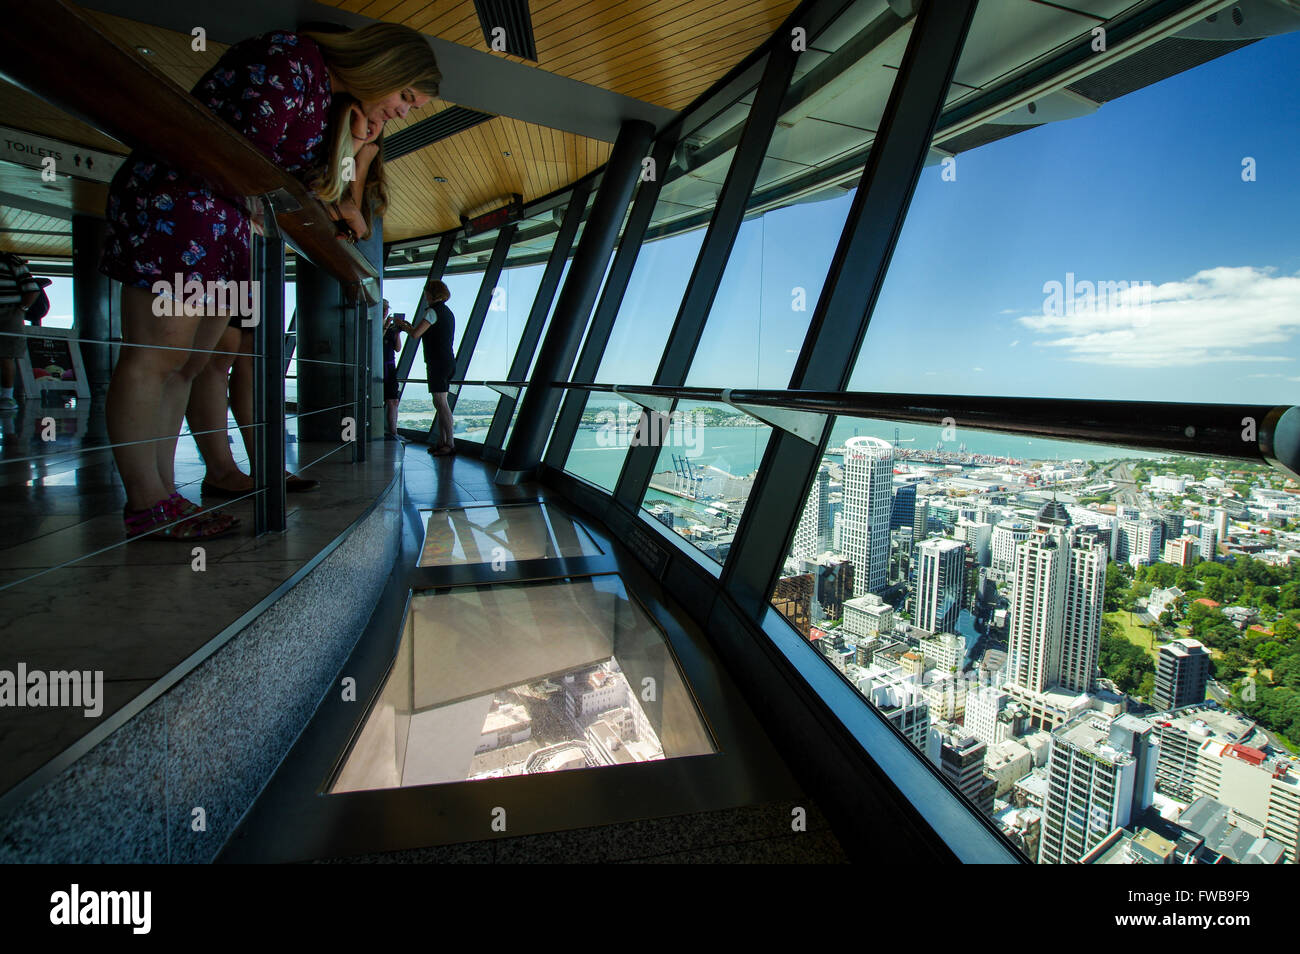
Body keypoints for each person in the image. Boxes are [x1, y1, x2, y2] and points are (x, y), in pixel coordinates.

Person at [99, 24, 440, 540]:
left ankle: (165, 496)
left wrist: (362, 146)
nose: (404, 110)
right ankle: (147, 501)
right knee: (156, 357)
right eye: (406, 96)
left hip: (225, 226)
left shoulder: (327, 99)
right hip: (184, 209)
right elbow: (247, 152)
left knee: (188, 366)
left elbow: (325, 194)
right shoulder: (293, 58)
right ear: (384, 66)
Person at [192, 105, 389, 498]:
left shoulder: (339, 155)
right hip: (231, 243)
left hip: (250, 251)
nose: (375, 127)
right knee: (218, 360)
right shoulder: (311, 142)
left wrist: (363, 152)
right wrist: (361, 154)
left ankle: (257, 467)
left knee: (247, 358)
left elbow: (348, 207)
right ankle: (221, 470)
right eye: (370, 117)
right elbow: (346, 209)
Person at [404, 280, 455, 455]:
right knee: (439, 402)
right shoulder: (447, 312)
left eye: (426, 292)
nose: (425, 295)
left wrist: (403, 326)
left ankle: (449, 444)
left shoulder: (432, 311)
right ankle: (442, 441)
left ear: (431, 294)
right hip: (447, 361)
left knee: (441, 403)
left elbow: (415, 334)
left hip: (437, 362)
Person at [0, 252, 40, 411]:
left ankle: (6, 397)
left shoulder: (10, 260)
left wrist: (20, 310)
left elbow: (32, 289)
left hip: (9, 313)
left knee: (6, 356)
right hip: (10, 312)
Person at [380, 299, 403, 439]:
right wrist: (386, 326)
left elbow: (398, 348)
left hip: (390, 366)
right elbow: (375, 342)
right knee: (384, 400)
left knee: (393, 400)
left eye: (386, 309)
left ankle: (393, 433)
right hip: (379, 367)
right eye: (383, 309)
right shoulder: (374, 325)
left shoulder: (391, 329)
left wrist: (398, 333)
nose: (385, 312)